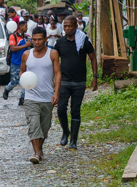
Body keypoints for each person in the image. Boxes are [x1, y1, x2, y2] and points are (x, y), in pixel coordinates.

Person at [54, 16, 99, 150]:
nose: (67, 28)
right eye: (65, 26)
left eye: (70, 26)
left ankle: (73, 140)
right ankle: (65, 131)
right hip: (64, 81)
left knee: (75, 110)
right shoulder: (60, 42)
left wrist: (95, 77)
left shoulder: (83, 41)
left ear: (76, 26)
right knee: (61, 109)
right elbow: (54, 60)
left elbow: (93, 58)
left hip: (79, 82)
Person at [20, 27, 61, 164]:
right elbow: (22, 72)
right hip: (31, 97)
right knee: (33, 124)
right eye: (34, 39)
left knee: (45, 127)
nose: (36, 42)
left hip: (47, 97)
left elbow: (57, 73)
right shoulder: (26, 54)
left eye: (39, 39)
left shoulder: (53, 53)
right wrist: (25, 82)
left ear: (45, 39)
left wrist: (56, 92)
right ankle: (36, 153)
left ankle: (39, 149)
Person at [3, 20, 32, 106]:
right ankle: (7, 89)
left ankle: (22, 98)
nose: (27, 28)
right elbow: (13, 48)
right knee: (15, 82)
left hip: (26, 63)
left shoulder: (27, 37)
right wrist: (25, 46)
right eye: (26, 26)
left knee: (26, 81)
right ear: (21, 27)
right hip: (16, 62)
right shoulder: (13, 36)